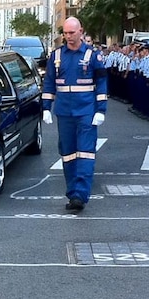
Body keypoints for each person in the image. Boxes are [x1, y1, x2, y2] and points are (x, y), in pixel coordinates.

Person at [41, 17, 107, 213]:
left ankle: (80, 194)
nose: (69, 36)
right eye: (66, 33)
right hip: (64, 112)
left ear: (81, 31)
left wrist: (101, 110)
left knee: (85, 153)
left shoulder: (92, 55)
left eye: (72, 32)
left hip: (86, 112)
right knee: (68, 154)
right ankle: (72, 193)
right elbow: (49, 82)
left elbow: (102, 83)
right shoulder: (56, 55)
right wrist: (46, 107)